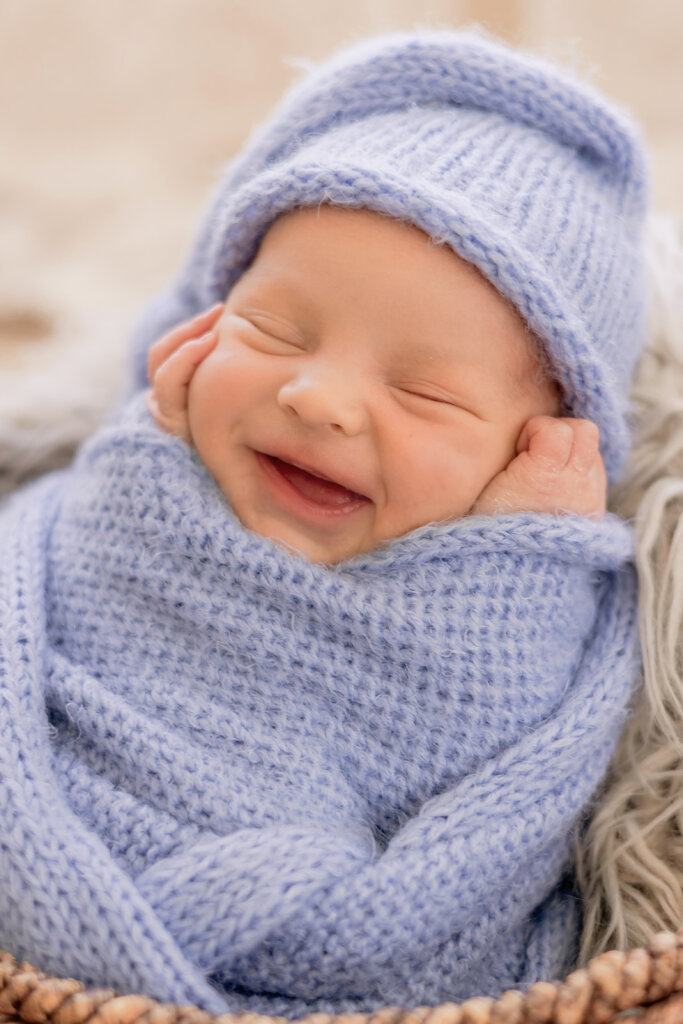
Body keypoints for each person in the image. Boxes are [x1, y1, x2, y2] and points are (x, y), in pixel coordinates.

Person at [0, 27, 648, 1018]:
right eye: (271, 332)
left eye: (425, 392)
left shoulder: (520, 595)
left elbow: (489, 753)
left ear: (536, 452)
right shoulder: (132, 482)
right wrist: (150, 461)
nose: (318, 398)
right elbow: (88, 603)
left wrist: (528, 572)